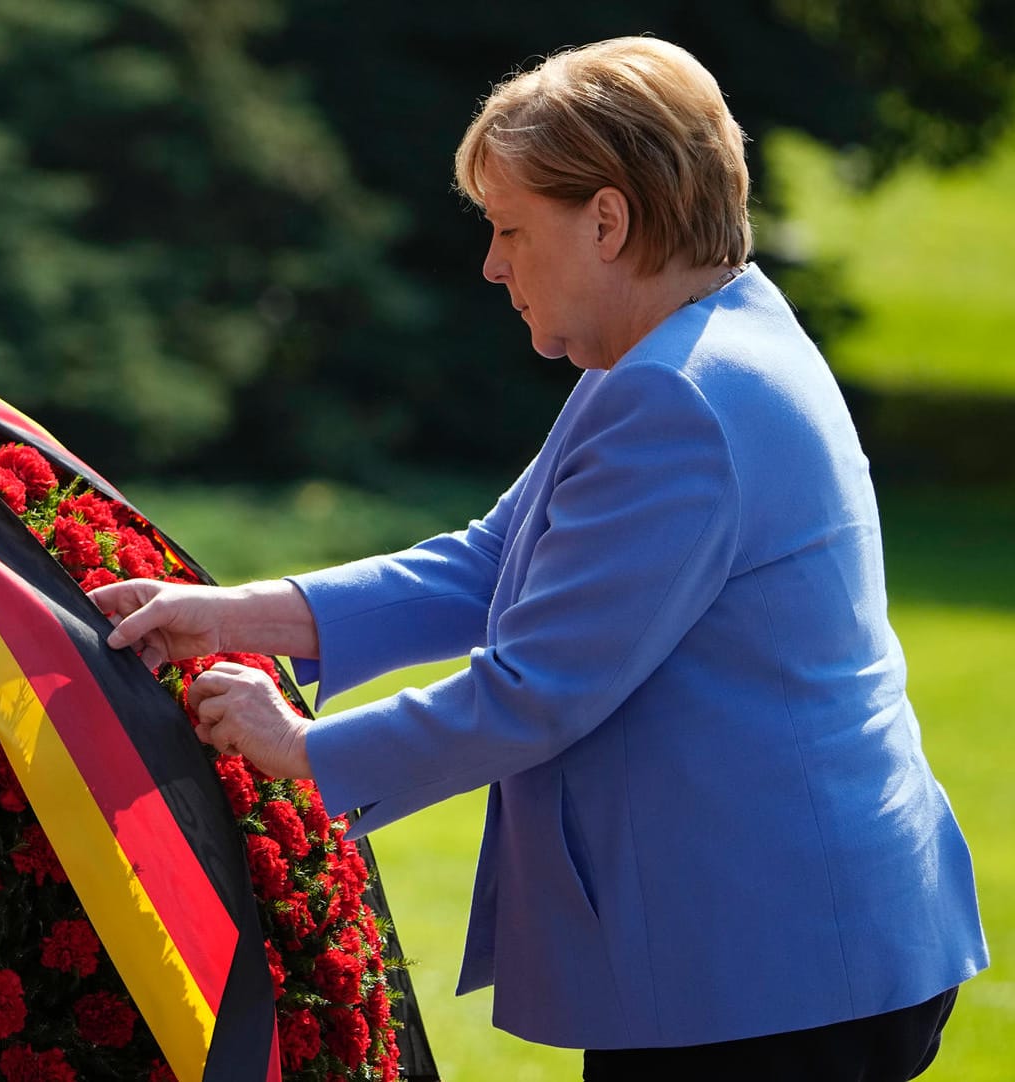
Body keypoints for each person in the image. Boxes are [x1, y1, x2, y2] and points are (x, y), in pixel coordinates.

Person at [92, 36, 987, 1082]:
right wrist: (233, 611)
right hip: (779, 952)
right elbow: (490, 564)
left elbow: (535, 691)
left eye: (512, 228)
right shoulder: (681, 347)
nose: (492, 262)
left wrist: (302, 748)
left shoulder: (679, 393)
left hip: (774, 971)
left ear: (607, 220)